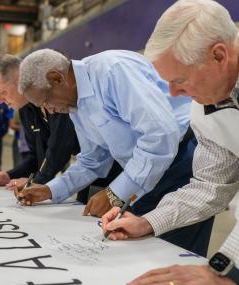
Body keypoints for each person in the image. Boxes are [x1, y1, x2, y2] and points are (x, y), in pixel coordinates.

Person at [102, 0, 239, 285]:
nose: (174, 94)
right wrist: (148, 221)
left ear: (219, 55)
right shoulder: (204, 108)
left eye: (180, 81)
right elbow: (210, 185)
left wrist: (226, 268)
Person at [16, 49, 213, 256]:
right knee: (139, 251)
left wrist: (115, 193)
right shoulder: (75, 106)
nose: (50, 110)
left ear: (57, 78)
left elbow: (160, 136)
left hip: (182, 164)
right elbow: (93, 159)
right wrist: (50, 190)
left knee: (173, 258)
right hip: (146, 169)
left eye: (46, 100)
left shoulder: (113, 70)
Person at [0, 55, 107, 203]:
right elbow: (37, 155)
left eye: (2, 92)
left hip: (107, 166)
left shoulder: (54, 96)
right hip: (90, 166)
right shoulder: (26, 109)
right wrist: (9, 175)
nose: (0, 100)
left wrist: (38, 182)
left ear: (18, 81)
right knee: (83, 206)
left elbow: (60, 147)